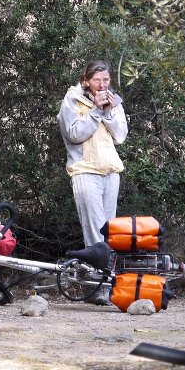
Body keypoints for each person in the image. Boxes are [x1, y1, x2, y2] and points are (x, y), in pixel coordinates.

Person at [58, 60, 128, 305]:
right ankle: (98, 288)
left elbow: (120, 135)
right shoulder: (72, 101)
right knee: (94, 229)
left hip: (110, 170)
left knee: (110, 231)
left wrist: (108, 111)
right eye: (97, 80)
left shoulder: (113, 101)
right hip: (84, 171)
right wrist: (96, 111)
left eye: (106, 80)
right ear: (86, 79)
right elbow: (74, 134)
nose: (102, 85)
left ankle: (102, 283)